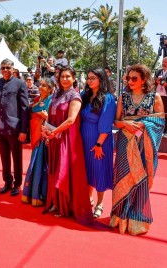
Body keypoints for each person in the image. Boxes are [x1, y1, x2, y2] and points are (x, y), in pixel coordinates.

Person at [111, 64, 165, 235]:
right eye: (128, 78)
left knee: (140, 178)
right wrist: (126, 124)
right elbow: (116, 121)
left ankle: (137, 218)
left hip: (143, 144)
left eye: (135, 78)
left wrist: (144, 124)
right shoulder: (123, 97)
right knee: (123, 176)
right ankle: (120, 216)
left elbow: (161, 122)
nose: (130, 81)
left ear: (144, 79)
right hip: (124, 142)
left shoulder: (154, 97)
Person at [42, 66, 92, 225]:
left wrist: (54, 132)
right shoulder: (57, 94)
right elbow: (50, 115)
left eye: (67, 76)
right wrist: (46, 130)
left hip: (68, 139)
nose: (64, 79)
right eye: (62, 76)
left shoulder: (75, 96)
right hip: (55, 137)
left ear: (73, 78)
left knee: (64, 172)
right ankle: (56, 203)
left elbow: (71, 120)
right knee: (54, 169)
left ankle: (66, 207)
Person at [80, 68, 116, 218]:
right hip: (83, 139)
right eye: (88, 78)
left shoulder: (108, 98)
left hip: (100, 141)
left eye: (93, 78)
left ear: (101, 79)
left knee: (99, 171)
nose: (89, 81)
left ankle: (100, 203)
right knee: (87, 171)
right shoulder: (84, 95)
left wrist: (99, 144)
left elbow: (106, 124)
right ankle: (88, 199)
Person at [0, 58, 29, 196]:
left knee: (17, 158)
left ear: (13, 69)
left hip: (15, 128)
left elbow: (25, 108)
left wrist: (24, 130)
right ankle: (7, 182)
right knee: (4, 158)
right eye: (2, 68)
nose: (5, 70)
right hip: (0, 128)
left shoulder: (20, 84)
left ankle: (17, 184)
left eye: (8, 67)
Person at [21, 79, 53, 206]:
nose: (40, 87)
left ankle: (40, 195)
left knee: (42, 166)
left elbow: (53, 118)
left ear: (50, 89)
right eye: (40, 85)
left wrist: (45, 116)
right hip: (35, 135)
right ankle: (32, 195)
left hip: (43, 136)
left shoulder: (51, 100)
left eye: (44, 86)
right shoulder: (37, 99)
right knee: (34, 165)